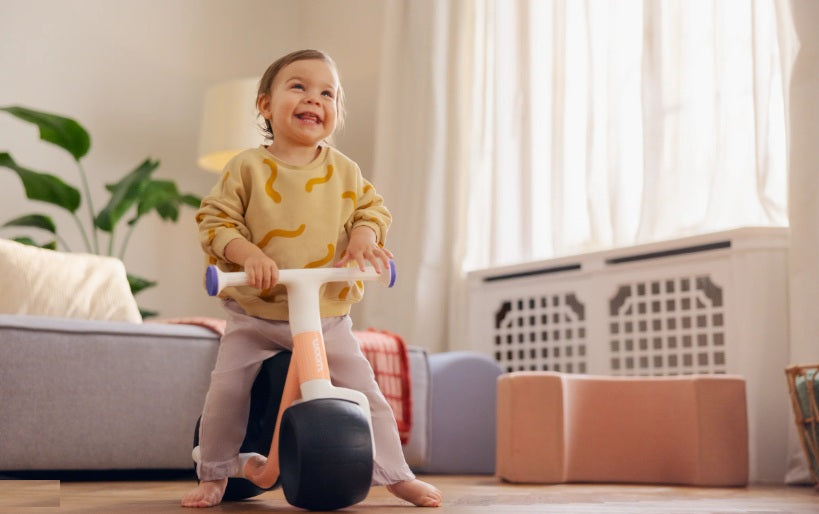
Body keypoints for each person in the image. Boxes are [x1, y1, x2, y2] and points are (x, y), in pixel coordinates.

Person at [182, 49, 442, 508]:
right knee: (226, 389)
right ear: (265, 105)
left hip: (325, 318)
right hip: (256, 315)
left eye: (328, 93)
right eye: (298, 86)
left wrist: (363, 238)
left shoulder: (344, 170)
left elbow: (371, 209)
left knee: (367, 391)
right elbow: (216, 221)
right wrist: (249, 254)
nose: (314, 99)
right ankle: (215, 473)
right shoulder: (246, 167)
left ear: (336, 112)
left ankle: (395, 474)